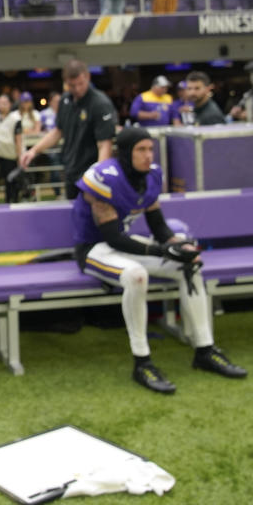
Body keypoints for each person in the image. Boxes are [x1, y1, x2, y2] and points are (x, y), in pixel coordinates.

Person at [72, 128, 246, 393]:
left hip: (123, 243)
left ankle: (205, 349)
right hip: (95, 248)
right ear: (126, 152)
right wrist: (163, 251)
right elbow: (113, 238)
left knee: (190, 265)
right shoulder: (103, 177)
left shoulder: (151, 175)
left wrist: (179, 246)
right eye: (140, 150)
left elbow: (158, 226)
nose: (147, 155)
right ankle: (142, 361)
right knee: (136, 275)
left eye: (150, 149)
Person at [20, 59, 117, 200]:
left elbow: (105, 145)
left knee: (94, 218)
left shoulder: (100, 103)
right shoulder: (65, 101)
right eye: (72, 85)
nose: (77, 89)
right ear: (65, 82)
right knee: (74, 215)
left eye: (81, 84)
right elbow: (57, 132)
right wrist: (33, 151)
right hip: (71, 171)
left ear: (88, 77)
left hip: (91, 174)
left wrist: (99, 176)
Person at [0, 94, 23, 203]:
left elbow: (19, 140)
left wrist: (20, 157)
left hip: (11, 156)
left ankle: (13, 202)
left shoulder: (16, 119)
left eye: (5, 103)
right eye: (0, 103)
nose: (2, 106)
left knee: (12, 182)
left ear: (10, 104)